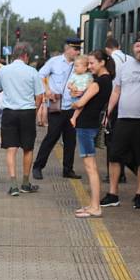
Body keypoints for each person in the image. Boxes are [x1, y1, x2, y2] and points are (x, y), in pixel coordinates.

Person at [101, 34, 140, 210]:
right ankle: (113, 194)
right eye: (138, 46)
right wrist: (108, 112)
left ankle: (139, 195)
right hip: (124, 118)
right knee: (115, 156)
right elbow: (116, 91)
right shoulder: (124, 67)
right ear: (133, 48)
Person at [0, 42, 44, 197]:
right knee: (28, 148)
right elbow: (40, 96)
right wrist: (34, 111)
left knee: (11, 149)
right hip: (27, 112)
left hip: (9, 112)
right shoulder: (32, 71)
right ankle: (25, 183)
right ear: (26, 56)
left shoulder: (4, 70)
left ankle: (13, 185)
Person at [70, 50, 115, 218]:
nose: (89, 66)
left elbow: (81, 103)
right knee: (91, 167)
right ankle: (92, 204)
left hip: (86, 126)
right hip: (91, 125)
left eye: (91, 63)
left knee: (91, 168)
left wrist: (73, 99)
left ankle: (95, 207)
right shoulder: (107, 80)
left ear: (102, 62)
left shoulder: (98, 82)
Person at [33, 38, 85, 180]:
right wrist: (47, 90)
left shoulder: (79, 64)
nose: (77, 52)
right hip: (56, 107)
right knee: (51, 137)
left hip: (72, 107)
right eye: (75, 49)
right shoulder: (54, 62)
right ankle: (38, 166)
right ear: (67, 48)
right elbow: (40, 75)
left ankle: (68, 169)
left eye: (78, 49)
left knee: (70, 141)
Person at [104, 37, 128, 184]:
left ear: (107, 49)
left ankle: (112, 174)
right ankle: (123, 173)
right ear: (118, 46)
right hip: (127, 104)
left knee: (111, 140)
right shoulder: (130, 59)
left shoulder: (108, 61)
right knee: (122, 139)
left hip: (112, 103)